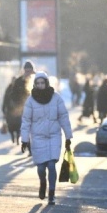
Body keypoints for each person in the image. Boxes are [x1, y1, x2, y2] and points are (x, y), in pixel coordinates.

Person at [20, 71, 73, 205]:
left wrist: (68, 136)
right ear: (35, 84)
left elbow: (63, 117)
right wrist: (25, 139)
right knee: (41, 168)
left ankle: (52, 194)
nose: (40, 85)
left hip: (54, 136)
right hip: (37, 137)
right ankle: (43, 183)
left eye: (42, 82)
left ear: (46, 83)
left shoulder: (56, 98)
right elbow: (26, 121)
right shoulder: (31, 100)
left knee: (51, 165)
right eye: (38, 83)